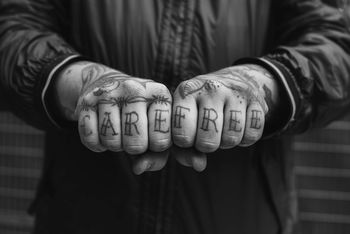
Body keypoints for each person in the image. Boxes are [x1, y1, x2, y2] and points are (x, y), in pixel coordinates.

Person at [0, 0, 349, 233]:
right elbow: (13, 26)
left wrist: (266, 83)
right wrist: (74, 81)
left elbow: (336, 44)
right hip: (82, 216)